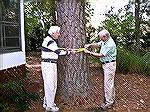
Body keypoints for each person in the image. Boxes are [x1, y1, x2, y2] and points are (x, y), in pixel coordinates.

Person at [84, 29, 117, 110]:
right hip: (108, 65)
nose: (100, 39)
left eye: (101, 37)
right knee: (109, 83)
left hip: (109, 65)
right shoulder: (106, 40)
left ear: (105, 36)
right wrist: (90, 45)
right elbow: (98, 44)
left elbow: (101, 55)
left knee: (107, 84)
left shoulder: (110, 44)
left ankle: (108, 102)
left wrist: (89, 53)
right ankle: (111, 100)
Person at [41, 26, 71, 112]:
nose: (59, 34)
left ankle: (47, 103)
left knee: (52, 85)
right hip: (48, 65)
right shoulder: (50, 41)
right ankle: (50, 106)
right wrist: (68, 52)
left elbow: (55, 50)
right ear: (53, 33)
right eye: (58, 32)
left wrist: (65, 50)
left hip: (50, 64)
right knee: (50, 86)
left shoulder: (50, 40)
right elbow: (58, 52)